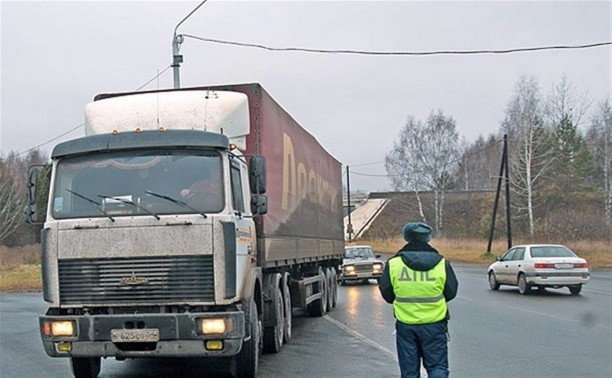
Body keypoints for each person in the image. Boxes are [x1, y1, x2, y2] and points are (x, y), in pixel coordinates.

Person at [379, 222, 458, 378]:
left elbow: (387, 294)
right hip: (435, 324)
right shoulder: (442, 263)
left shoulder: (394, 264)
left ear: (406, 237)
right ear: (427, 238)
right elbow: (451, 291)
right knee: (437, 367)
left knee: (409, 371)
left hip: (406, 325)